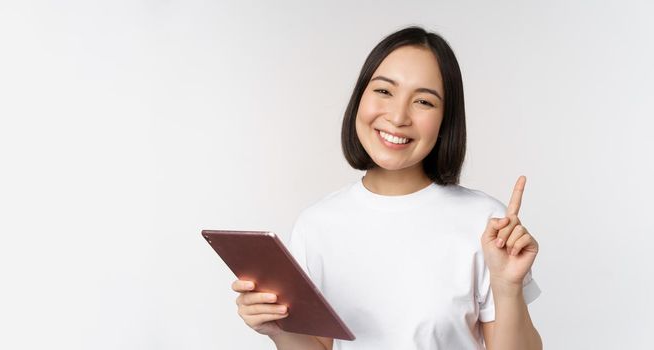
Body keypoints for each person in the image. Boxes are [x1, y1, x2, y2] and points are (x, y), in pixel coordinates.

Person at [230, 26, 542, 350]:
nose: (397, 116)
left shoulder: (486, 223)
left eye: (423, 101)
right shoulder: (317, 226)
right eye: (384, 91)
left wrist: (507, 289)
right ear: (360, 97)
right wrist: (279, 328)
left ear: (445, 120)